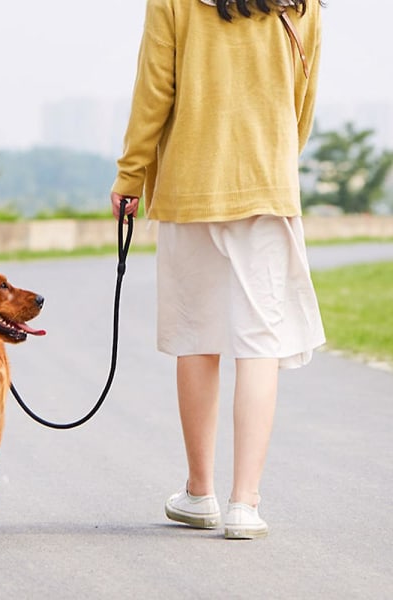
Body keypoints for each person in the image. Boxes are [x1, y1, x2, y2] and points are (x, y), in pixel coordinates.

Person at [110, 0, 326, 539]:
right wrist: (273, 162)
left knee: (197, 337)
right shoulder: (304, 4)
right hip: (267, 185)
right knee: (260, 344)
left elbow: (154, 91)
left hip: (189, 186)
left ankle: (199, 492)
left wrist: (130, 177)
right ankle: (244, 505)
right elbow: (303, 101)